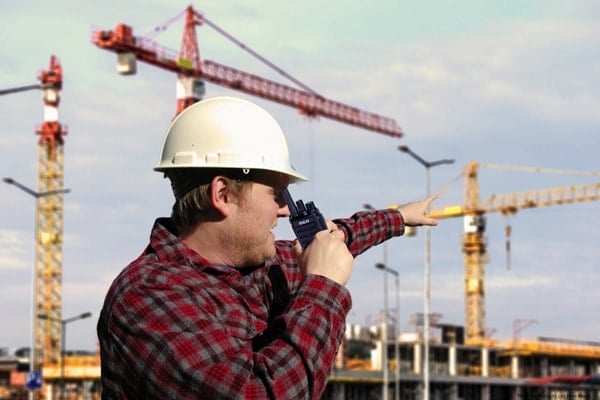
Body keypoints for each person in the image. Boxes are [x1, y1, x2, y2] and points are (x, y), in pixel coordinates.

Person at [97, 96, 438, 399]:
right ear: (224, 196)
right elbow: (259, 393)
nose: (285, 210)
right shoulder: (150, 296)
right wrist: (322, 289)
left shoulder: (257, 269)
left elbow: (334, 239)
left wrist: (398, 218)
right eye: (277, 195)